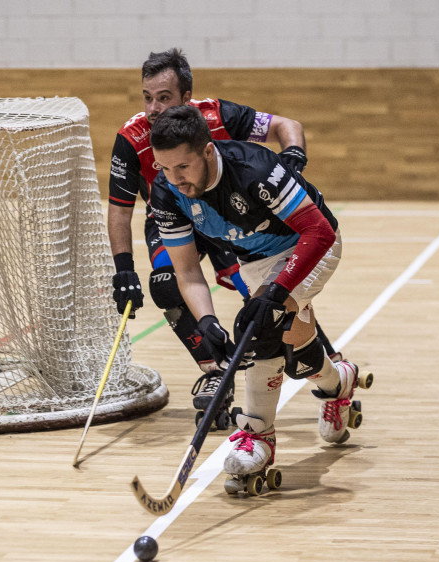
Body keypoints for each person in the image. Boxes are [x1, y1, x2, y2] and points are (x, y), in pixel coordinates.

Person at [108, 48, 341, 424]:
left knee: (266, 313)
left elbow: (287, 125)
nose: (153, 108)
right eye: (147, 97)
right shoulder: (133, 140)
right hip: (175, 216)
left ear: (187, 99)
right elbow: (120, 208)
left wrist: (292, 161)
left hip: (234, 218)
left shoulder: (218, 116)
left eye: (164, 98)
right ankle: (217, 369)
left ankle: (317, 353)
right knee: (169, 283)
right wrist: (123, 268)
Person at [149, 105, 366, 482]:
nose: (174, 179)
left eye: (182, 167)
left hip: (309, 244)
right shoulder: (167, 191)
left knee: (258, 325)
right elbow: (186, 270)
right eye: (164, 168)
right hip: (256, 262)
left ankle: (256, 436)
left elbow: (319, 233)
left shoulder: (254, 169)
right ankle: (338, 382)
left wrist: (276, 292)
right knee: (298, 352)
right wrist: (206, 322)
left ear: (206, 150)